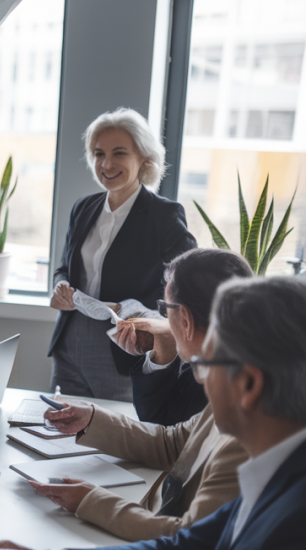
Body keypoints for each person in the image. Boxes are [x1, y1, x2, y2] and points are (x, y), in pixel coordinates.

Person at [0, 275, 306, 550]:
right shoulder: (279, 472)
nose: (199, 379)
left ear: (250, 383)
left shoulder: (294, 533)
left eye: (203, 366)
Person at [30, 253, 251, 550]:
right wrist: (92, 419)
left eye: (164, 309)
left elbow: (187, 541)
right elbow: (173, 442)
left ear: (183, 319)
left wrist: (92, 500)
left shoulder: (245, 418)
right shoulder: (232, 377)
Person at [48, 107, 196, 401]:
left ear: (144, 157)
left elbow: (186, 285)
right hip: (70, 341)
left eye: (119, 153)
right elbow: (65, 267)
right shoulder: (83, 207)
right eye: (99, 154)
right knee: (57, 429)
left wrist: (134, 311)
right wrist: (60, 286)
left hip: (123, 345)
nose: (107, 164)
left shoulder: (164, 214)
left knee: (112, 434)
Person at [113, 248, 253, 426]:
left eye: (166, 308)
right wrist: (164, 345)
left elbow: (168, 439)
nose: (165, 319)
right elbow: (162, 425)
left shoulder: (222, 386)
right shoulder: (214, 357)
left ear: (185, 319)